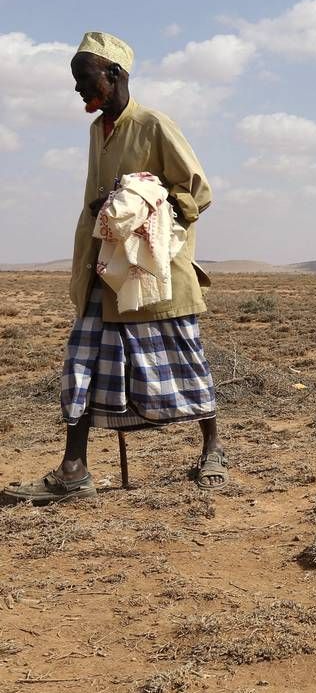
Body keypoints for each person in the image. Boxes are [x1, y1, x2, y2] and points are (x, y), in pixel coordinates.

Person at [1, 32, 226, 504]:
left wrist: (144, 200)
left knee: (185, 360)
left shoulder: (153, 124)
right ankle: (74, 469)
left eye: (85, 80)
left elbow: (197, 193)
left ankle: (212, 450)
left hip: (152, 274)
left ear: (115, 74)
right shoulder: (95, 130)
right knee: (81, 366)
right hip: (102, 269)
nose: (79, 91)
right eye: (77, 83)